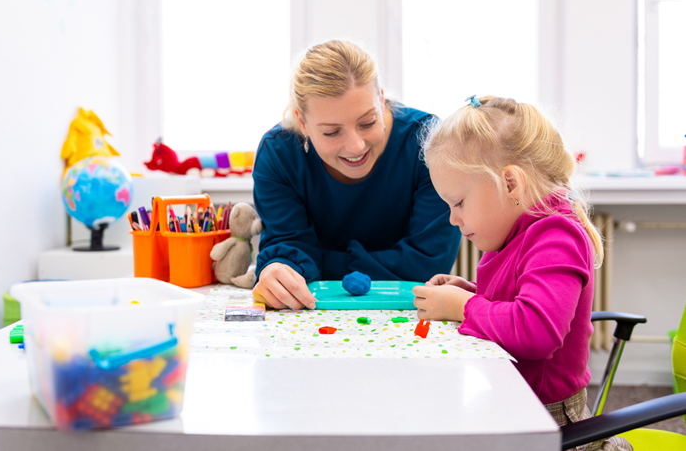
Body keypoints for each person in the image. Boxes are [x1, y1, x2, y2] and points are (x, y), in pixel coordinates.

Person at [414, 95, 632, 451]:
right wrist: (467, 290)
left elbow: (537, 330)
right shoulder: (518, 231)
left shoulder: (556, 235)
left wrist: (464, 307)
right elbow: (517, 297)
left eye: (458, 202)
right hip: (513, 405)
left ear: (511, 184)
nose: (453, 219)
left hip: (552, 426)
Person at [251, 40, 461, 310]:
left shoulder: (429, 143)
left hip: (411, 312)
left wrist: (318, 263)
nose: (356, 146)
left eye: (368, 122)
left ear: (381, 99)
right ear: (302, 122)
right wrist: (278, 271)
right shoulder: (278, 154)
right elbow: (287, 250)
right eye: (331, 132)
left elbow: (428, 264)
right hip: (314, 315)